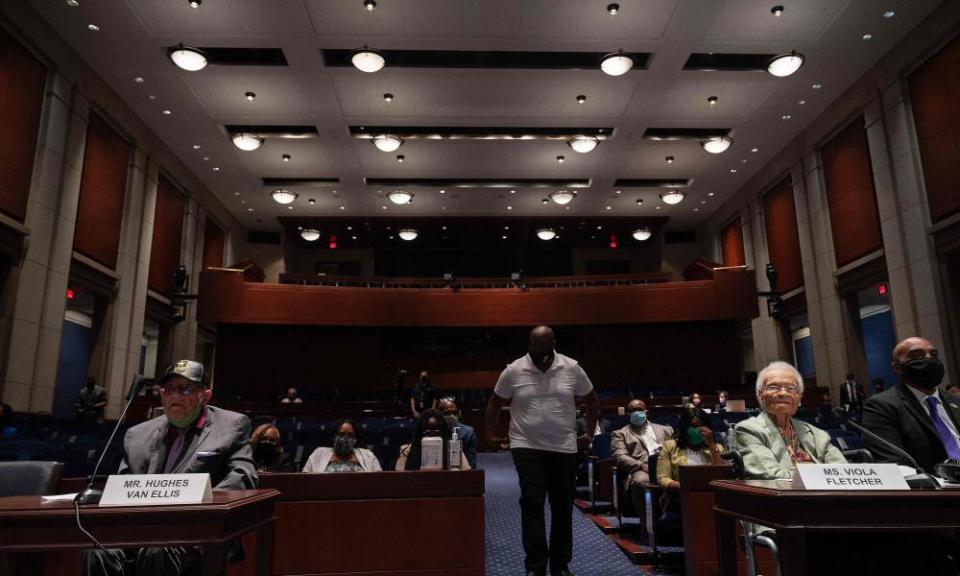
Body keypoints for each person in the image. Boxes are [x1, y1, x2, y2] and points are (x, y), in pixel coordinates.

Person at [82, 360, 257, 576]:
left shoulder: (231, 426)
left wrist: (200, 502)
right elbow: (124, 485)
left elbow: (243, 476)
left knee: (157, 550)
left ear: (206, 396)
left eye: (185, 389)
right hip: (141, 525)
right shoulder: (137, 434)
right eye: (169, 389)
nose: (175, 396)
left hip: (197, 527)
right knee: (98, 551)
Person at [484, 325, 599, 576]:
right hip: (526, 445)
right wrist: (489, 434)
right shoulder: (514, 370)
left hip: (564, 446)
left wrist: (589, 433)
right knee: (532, 503)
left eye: (543, 345)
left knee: (562, 506)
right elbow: (495, 402)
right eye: (533, 345)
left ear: (553, 343)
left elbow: (591, 400)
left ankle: (560, 565)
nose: (537, 350)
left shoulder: (571, 367)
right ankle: (535, 566)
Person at [863, 337, 960, 474]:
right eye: (917, 356)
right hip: (935, 488)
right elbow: (893, 464)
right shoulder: (881, 406)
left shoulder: (955, 401)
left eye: (933, 355)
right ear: (897, 367)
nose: (929, 359)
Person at [735, 361, 846, 479]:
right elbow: (770, 474)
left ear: (799, 398)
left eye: (791, 388)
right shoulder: (749, 430)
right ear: (760, 395)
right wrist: (822, 477)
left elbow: (843, 472)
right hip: (784, 495)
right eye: (774, 387)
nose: (783, 393)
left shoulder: (817, 434)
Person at [655, 406, 724, 541]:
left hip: (712, 496)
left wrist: (711, 444)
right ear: (684, 427)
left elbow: (723, 473)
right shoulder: (670, 446)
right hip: (680, 496)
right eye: (693, 427)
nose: (697, 431)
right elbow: (662, 479)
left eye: (701, 427)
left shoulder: (716, 448)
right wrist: (686, 487)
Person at [611, 399, 673, 523]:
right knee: (640, 481)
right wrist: (641, 466)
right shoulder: (620, 434)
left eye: (640, 409)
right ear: (628, 414)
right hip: (642, 469)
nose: (637, 412)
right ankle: (648, 525)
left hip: (666, 466)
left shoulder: (666, 430)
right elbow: (619, 456)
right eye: (633, 410)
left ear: (646, 412)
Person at [396, 409, 470, 470]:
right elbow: (399, 479)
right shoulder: (406, 451)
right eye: (428, 433)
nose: (432, 437)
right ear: (420, 433)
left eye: (437, 433)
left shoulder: (453, 451)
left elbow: (467, 475)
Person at [303, 419, 382, 472]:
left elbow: (379, 480)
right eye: (341, 434)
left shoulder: (368, 455)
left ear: (355, 439)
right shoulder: (319, 453)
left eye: (350, 435)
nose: (345, 438)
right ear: (334, 437)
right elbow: (305, 479)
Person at [438, 397, 478, 469]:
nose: (452, 416)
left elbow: (472, 463)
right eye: (447, 413)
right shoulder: (433, 432)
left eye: (454, 413)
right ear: (439, 415)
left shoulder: (468, 432)